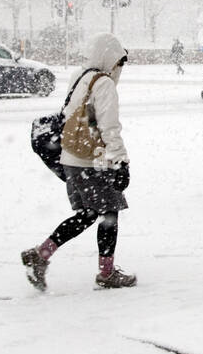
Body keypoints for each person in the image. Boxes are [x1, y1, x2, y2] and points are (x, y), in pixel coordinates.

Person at [21, 33, 136, 291]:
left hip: (71, 157)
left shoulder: (81, 76)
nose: (119, 68)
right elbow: (109, 127)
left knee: (88, 214)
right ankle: (106, 274)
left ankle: (40, 255)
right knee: (108, 215)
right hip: (91, 161)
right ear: (110, 58)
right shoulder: (103, 83)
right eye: (119, 62)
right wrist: (120, 162)